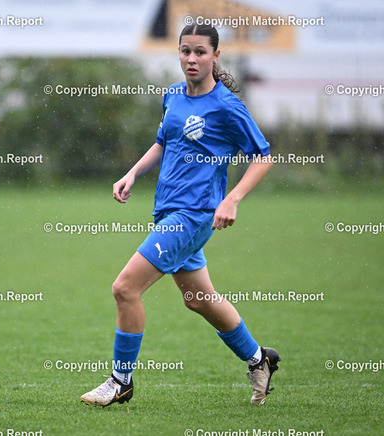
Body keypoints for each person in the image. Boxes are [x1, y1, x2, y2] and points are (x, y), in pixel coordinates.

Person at [80, 23, 280, 407]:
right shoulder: (172, 95)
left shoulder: (226, 107)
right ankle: (260, 359)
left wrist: (232, 199)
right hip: (168, 212)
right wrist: (132, 173)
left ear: (215, 55)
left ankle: (120, 381)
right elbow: (163, 143)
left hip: (193, 216)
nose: (192, 59)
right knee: (198, 298)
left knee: (125, 288)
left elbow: (263, 157)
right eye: (185, 51)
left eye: (200, 52)